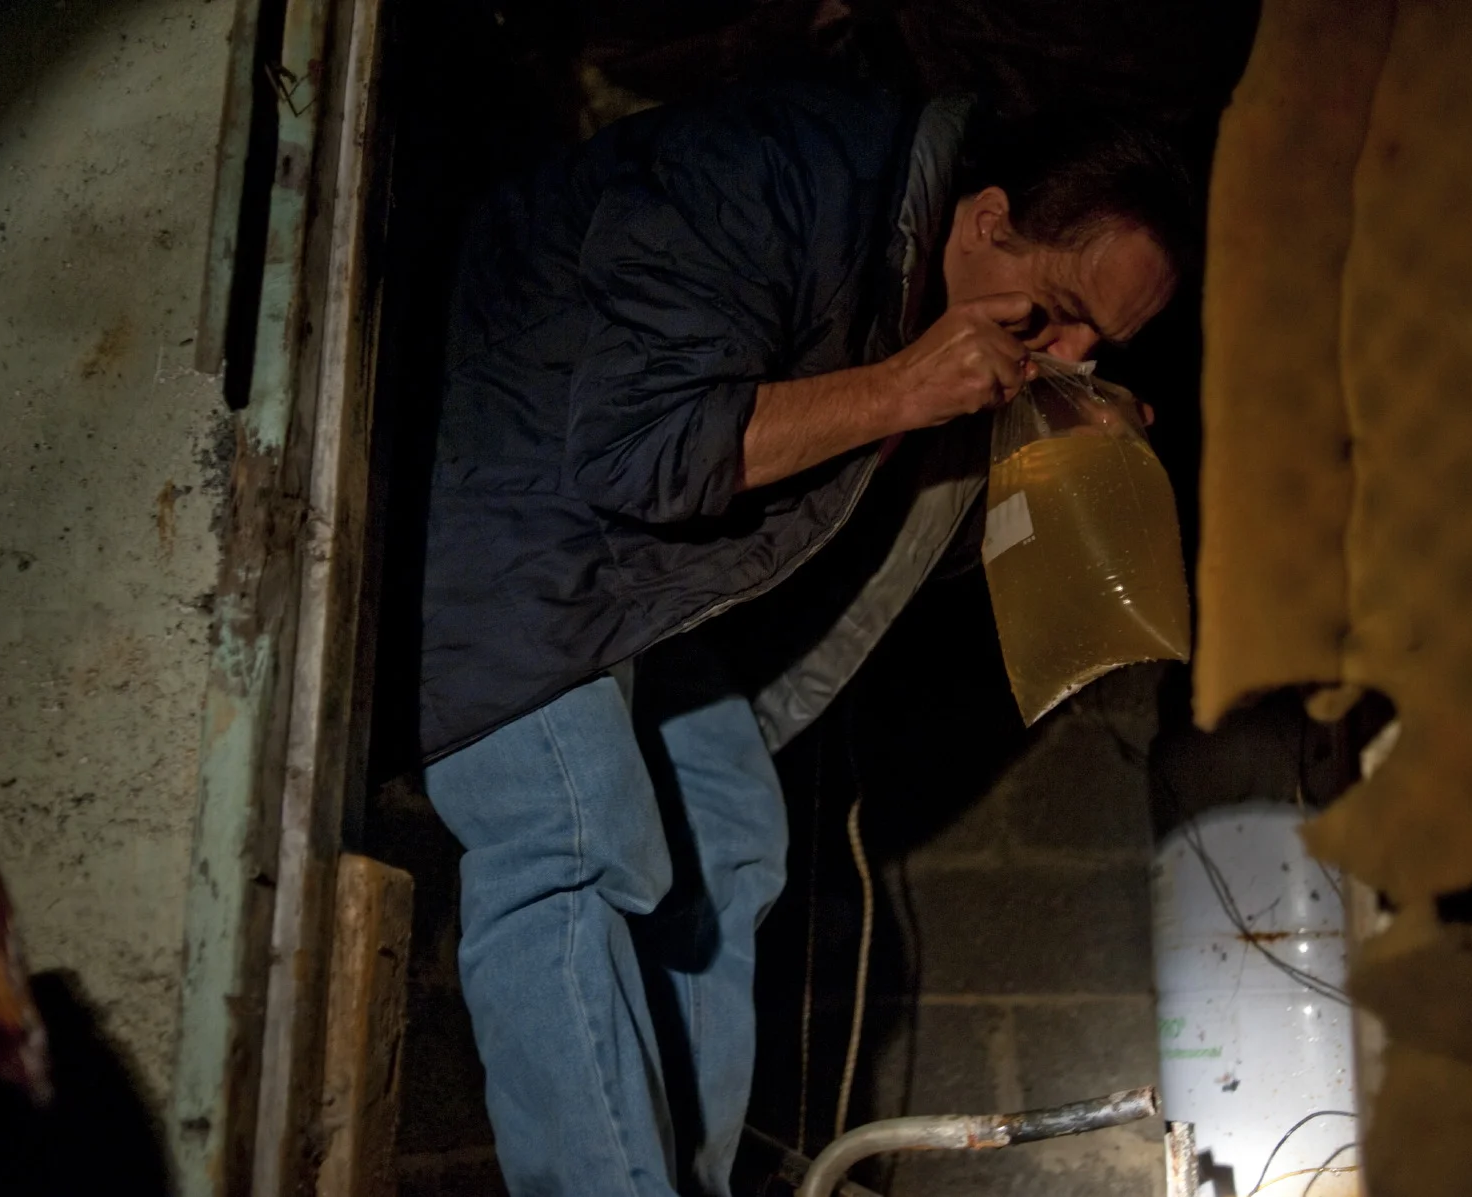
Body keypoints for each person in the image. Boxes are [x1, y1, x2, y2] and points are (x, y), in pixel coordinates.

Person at [417, 80, 1195, 1197]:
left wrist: (1058, 450)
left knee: (733, 821)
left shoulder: (928, 278)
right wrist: (898, 390)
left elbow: (847, 519)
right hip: (498, 509)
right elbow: (642, 454)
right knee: (574, 833)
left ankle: (683, 1178)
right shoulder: (758, 185)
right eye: (1060, 309)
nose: (1066, 349)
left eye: (1099, 340)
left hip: (631, 576)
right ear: (985, 220)